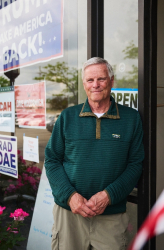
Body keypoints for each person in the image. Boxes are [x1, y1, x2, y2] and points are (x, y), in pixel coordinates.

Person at [44, 57, 144, 249]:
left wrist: (108, 196)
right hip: (70, 214)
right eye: (90, 80)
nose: (95, 85)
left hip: (111, 216)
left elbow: (135, 164)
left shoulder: (131, 119)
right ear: (84, 84)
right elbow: (52, 160)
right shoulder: (67, 117)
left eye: (101, 79)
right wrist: (70, 196)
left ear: (111, 81)